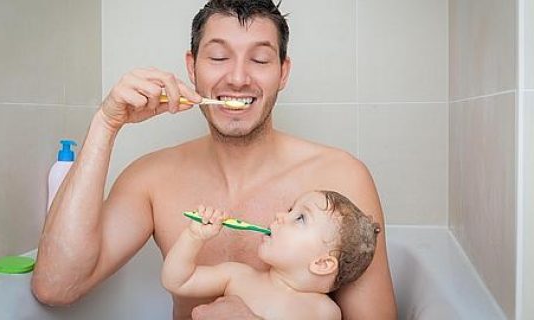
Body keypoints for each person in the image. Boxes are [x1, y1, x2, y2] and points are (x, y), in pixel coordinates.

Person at [31, 0, 397, 319]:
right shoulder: (151, 179)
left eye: (260, 59)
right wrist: (106, 123)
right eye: (219, 57)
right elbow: (55, 286)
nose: (237, 78)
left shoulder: (341, 177)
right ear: (192, 68)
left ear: (283, 72)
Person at [162, 190, 381, 320]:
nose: (280, 216)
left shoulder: (322, 311)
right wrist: (194, 236)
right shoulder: (237, 275)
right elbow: (177, 281)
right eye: (290, 210)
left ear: (322, 263)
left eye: (300, 218)